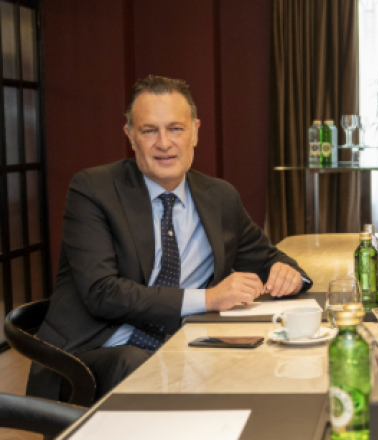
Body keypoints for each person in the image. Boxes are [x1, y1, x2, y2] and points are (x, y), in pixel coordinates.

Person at [27, 75, 312, 401]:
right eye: (149, 130)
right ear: (130, 136)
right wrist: (208, 299)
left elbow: (269, 258)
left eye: (176, 128)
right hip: (93, 353)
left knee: (262, 367)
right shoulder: (93, 190)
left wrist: (287, 273)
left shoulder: (220, 197)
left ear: (195, 132)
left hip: (182, 346)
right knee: (138, 364)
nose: (164, 143)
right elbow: (102, 293)